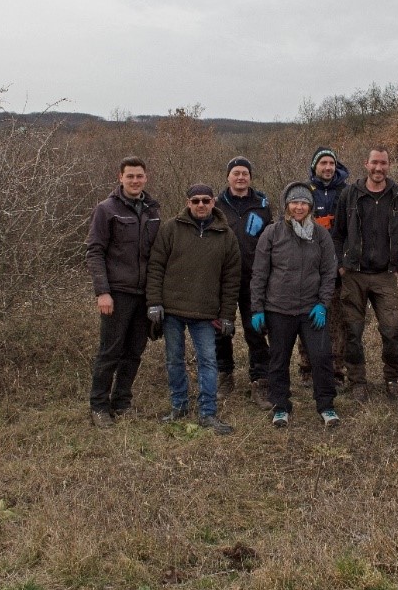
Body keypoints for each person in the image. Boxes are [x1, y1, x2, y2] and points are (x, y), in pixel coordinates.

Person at [146, 183, 240, 435]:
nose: (201, 205)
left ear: (213, 203)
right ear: (188, 202)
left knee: (208, 362)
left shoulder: (226, 235)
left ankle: (207, 413)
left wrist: (228, 315)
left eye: (206, 200)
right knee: (174, 360)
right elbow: (156, 266)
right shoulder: (171, 229)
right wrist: (154, 302)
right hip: (172, 309)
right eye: (196, 200)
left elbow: (232, 280)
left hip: (207, 312)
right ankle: (179, 406)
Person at [250, 182, 340, 428]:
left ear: (310, 206)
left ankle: (326, 405)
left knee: (321, 357)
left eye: (304, 203)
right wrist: (257, 308)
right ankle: (281, 406)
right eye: (294, 202)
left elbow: (328, 271)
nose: (299, 207)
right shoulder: (272, 233)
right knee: (278, 359)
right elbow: (259, 273)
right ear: (286, 205)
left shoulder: (320, 235)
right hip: (279, 309)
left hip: (311, 310)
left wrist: (323, 303)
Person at [85, 156, 161, 428]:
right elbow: (95, 251)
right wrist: (102, 292)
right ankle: (99, 406)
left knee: (134, 351)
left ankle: (122, 402)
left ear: (146, 177)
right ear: (120, 177)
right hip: (117, 293)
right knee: (110, 351)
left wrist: (157, 294)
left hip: (144, 295)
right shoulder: (107, 210)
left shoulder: (153, 209)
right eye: (130, 176)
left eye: (139, 176)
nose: (135, 181)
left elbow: (158, 254)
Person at [332, 145, 398, 402]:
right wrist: (341, 265)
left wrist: (397, 265)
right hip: (353, 273)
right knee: (353, 331)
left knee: (391, 330)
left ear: (389, 165)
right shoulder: (349, 194)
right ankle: (357, 381)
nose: (379, 168)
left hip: (385, 275)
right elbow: (338, 233)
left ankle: (393, 378)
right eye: (374, 162)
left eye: (384, 163)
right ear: (366, 164)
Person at [214, 156, 272, 409]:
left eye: (245, 173)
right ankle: (224, 375)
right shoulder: (216, 205)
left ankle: (260, 380)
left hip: (253, 279)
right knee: (220, 330)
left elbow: (271, 240)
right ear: (228, 176)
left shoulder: (262, 204)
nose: (240, 177)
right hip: (222, 280)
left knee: (256, 330)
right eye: (236, 173)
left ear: (250, 177)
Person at [296, 147, 349, 387]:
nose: (328, 167)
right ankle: (306, 368)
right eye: (323, 163)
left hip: (337, 268)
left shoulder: (347, 192)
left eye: (332, 163)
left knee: (336, 320)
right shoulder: (305, 192)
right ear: (315, 166)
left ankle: (337, 370)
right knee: (306, 318)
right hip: (307, 268)